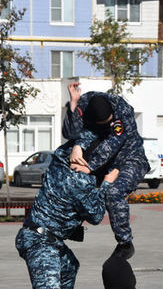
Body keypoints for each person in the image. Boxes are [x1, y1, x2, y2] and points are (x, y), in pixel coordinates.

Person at [0, 142, 119, 289]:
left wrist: (77, 145)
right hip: (39, 240)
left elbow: (70, 143)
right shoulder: (80, 181)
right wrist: (106, 184)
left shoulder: (59, 162)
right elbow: (95, 215)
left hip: (44, 237)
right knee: (48, 288)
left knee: (69, 266)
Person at [62, 82, 150, 259]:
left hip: (128, 159)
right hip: (100, 158)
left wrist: (89, 166)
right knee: (71, 177)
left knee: (113, 193)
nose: (107, 125)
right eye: (103, 124)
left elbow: (113, 143)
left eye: (108, 122)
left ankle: (125, 243)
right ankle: (73, 225)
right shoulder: (84, 104)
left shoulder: (122, 110)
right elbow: (69, 133)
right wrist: (72, 105)